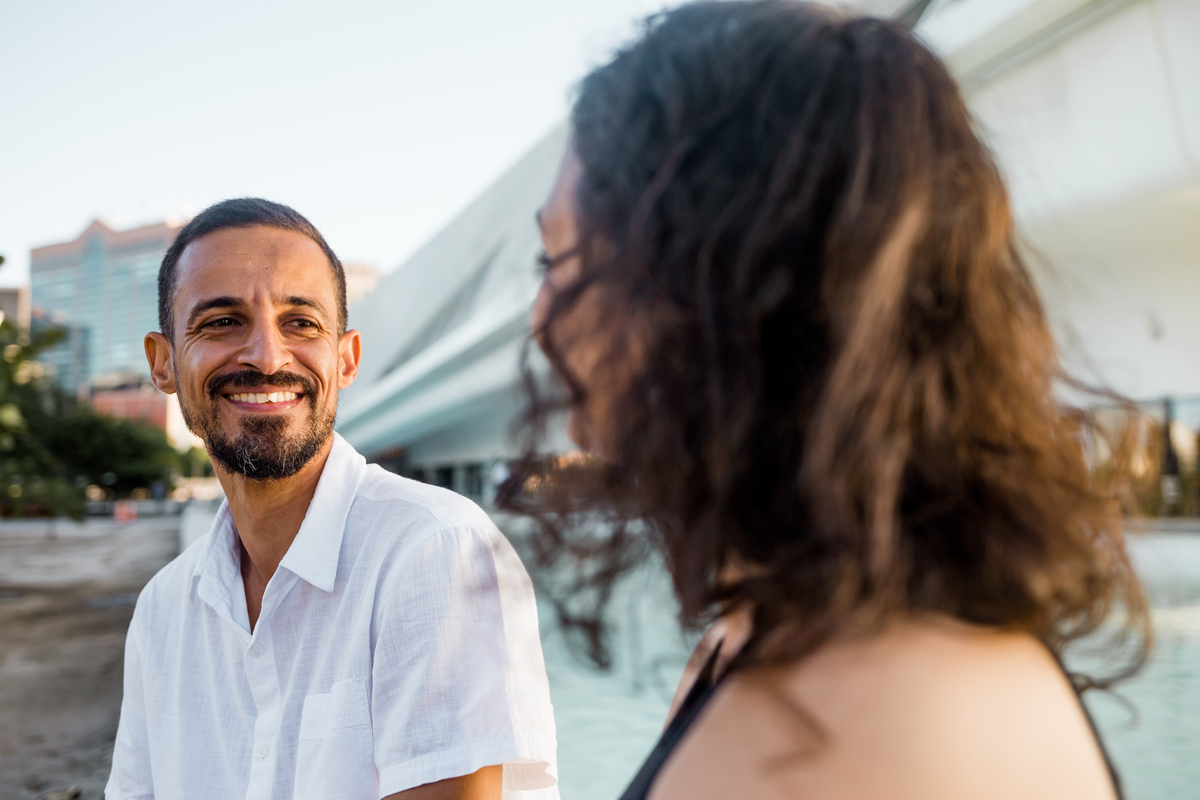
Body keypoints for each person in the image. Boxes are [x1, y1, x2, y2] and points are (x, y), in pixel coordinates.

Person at [513, 2, 1150, 799]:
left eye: (563, 260)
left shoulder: (848, 732)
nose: (544, 319)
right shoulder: (797, 645)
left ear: (719, 287)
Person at [107, 198, 559, 800]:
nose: (267, 357)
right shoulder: (163, 611)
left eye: (301, 323)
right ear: (163, 363)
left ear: (345, 360)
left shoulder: (435, 554)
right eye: (221, 322)